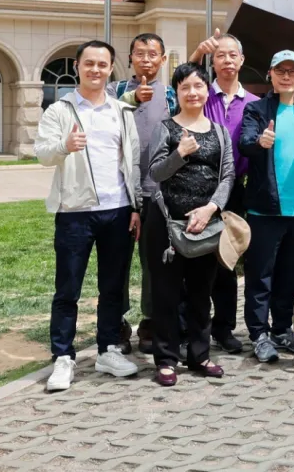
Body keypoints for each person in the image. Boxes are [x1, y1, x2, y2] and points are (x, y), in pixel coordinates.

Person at [34, 40, 141, 392]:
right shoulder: (60, 110)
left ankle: (107, 350)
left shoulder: (121, 111)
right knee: (68, 290)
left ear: (111, 69)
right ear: (77, 67)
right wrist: (64, 146)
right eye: (89, 63)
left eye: (102, 64)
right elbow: (42, 155)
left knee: (112, 288)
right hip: (75, 213)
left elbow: (132, 162)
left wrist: (136, 207)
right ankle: (63, 357)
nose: (96, 69)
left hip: (118, 212)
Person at [146, 63, 235, 386]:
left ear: (207, 90)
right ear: (177, 92)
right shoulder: (166, 128)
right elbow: (155, 172)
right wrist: (180, 153)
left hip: (206, 226)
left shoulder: (220, 132)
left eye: (198, 86)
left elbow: (227, 175)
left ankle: (199, 355)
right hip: (167, 225)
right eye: (185, 87)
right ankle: (166, 360)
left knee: (201, 294)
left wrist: (210, 209)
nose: (192, 92)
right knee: (166, 295)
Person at [239, 50, 294, 363]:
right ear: (270, 74)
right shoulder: (257, 109)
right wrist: (260, 142)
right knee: (260, 275)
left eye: (292, 71)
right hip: (265, 208)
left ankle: (282, 329)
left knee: (290, 274)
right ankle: (259, 334)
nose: (286, 76)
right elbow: (244, 142)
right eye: (280, 70)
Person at [189, 29, 259, 354]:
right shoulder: (202, 94)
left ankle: (224, 327)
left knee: (227, 260)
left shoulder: (255, 104)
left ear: (242, 60)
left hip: (235, 191)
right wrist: (195, 55)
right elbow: (182, 83)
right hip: (199, 186)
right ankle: (193, 328)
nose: (227, 60)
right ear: (212, 62)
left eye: (233, 55)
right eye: (220, 55)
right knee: (196, 259)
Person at [111, 32, 178, 355]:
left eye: (153, 54)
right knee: (117, 261)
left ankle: (151, 320)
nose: (146, 60)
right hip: (120, 191)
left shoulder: (171, 95)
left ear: (163, 60)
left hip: (157, 192)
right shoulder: (115, 91)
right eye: (140, 53)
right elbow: (104, 115)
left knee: (154, 262)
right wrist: (133, 98)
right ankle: (116, 322)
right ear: (130, 58)